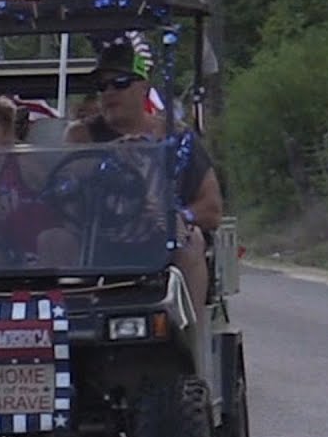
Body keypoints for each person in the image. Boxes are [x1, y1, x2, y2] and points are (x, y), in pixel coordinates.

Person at [63, 37, 224, 313]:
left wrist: (177, 216)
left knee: (192, 240)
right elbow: (65, 184)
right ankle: (66, 324)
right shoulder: (82, 136)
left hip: (159, 238)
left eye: (120, 83)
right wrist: (109, 157)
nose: (109, 93)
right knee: (53, 239)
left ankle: (191, 332)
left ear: (143, 87)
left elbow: (212, 209)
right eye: (102, 86)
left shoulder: (176, 136)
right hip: (99, 238)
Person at [0, 98, 64, 265]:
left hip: (38, 234)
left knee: (52, 238)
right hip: (7, 245)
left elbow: (52, 188)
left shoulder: (21, 161)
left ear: (7, 133)